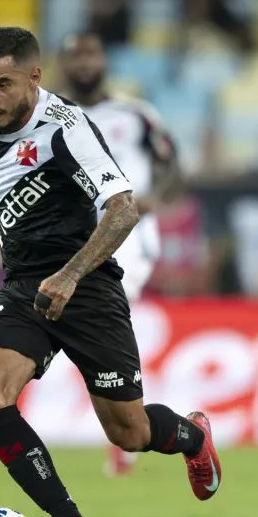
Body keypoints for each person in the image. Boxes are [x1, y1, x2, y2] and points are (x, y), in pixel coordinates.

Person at [0, 27, 222, 517]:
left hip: (87, 285)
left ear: (35, 77)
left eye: (3, 84)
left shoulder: (68, 129)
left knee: (129, 432)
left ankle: (192, 436)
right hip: (25, 285)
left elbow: (123, 210)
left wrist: (70, 276)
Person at [57, 31, 181, 476]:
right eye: (76, 56)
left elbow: (170, 162)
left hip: (129, 231)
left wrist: (155, 198)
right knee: (93, 322)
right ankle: (127, 423)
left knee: (108, 312)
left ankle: (129, 426)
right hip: (72, 236)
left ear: (103, 59)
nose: (85, 63)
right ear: (62, 64)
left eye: (91, 52)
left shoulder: (134, 114)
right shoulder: (52, 114)